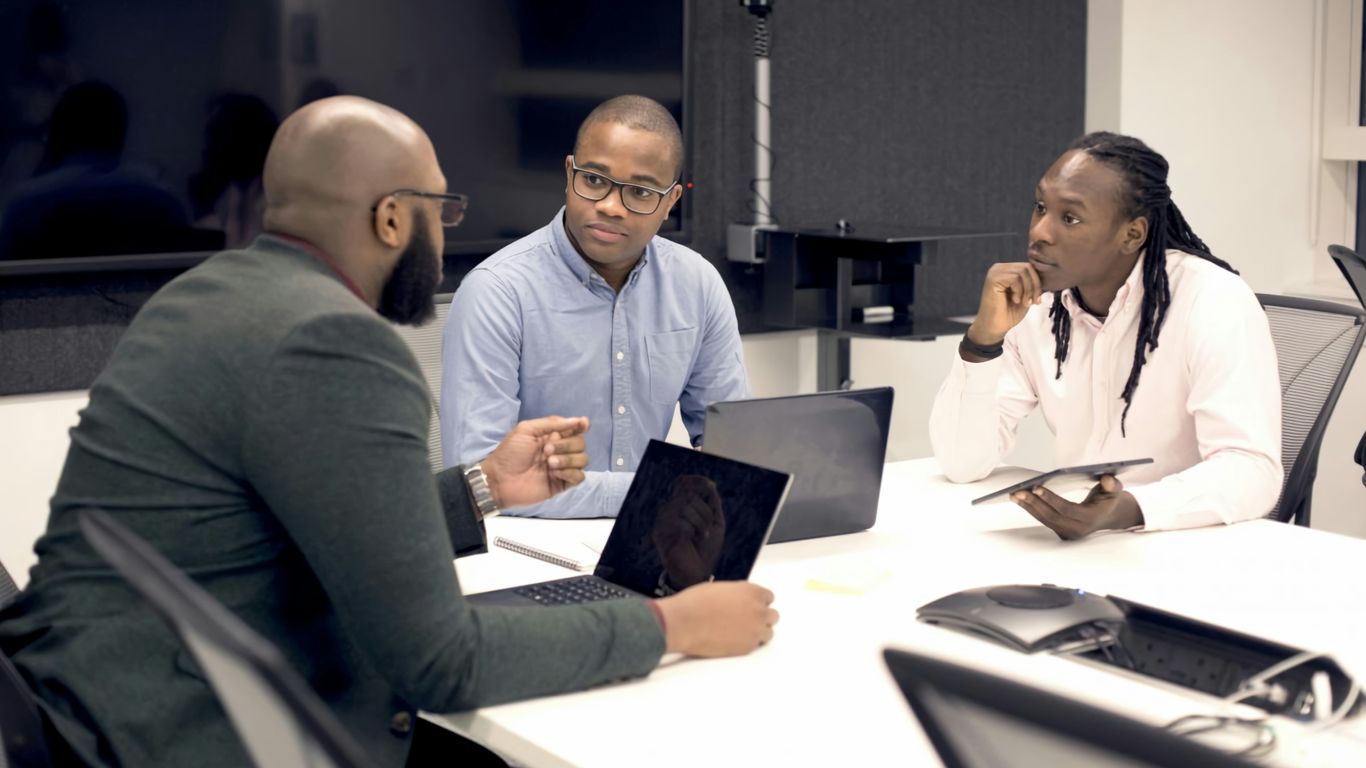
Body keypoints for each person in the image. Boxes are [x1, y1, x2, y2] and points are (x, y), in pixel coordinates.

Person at [0, 96, 779, 768]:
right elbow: (443, 661)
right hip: (179, 731)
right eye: (442, 213)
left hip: (78, 693)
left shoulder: (198, 295)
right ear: (391, 218)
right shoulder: (339, 344)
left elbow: (314, 516)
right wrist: (668, 624)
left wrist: (486, 486)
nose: (443, 242)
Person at [929, 131, 1281, 539]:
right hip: (1084, 550)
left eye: (1070, 218)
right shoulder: (1037, 308)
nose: (1040, 232)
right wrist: (981, 342)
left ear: (1131, 234)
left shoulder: (1212, 301)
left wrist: (1131, 509)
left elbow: (1252, 470)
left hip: (1187, 543)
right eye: (1040, 207)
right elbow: (961, 463)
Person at [441, 95, 749, 518]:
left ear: (671, 201)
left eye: (640, 192)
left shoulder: (697, 284)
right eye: (594, 180)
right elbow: (478, 478)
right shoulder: (497, 292)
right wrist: (654, 491)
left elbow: (731, 448)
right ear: (569, 174)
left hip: (654, 536)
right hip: (526, 546)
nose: (610, 206)